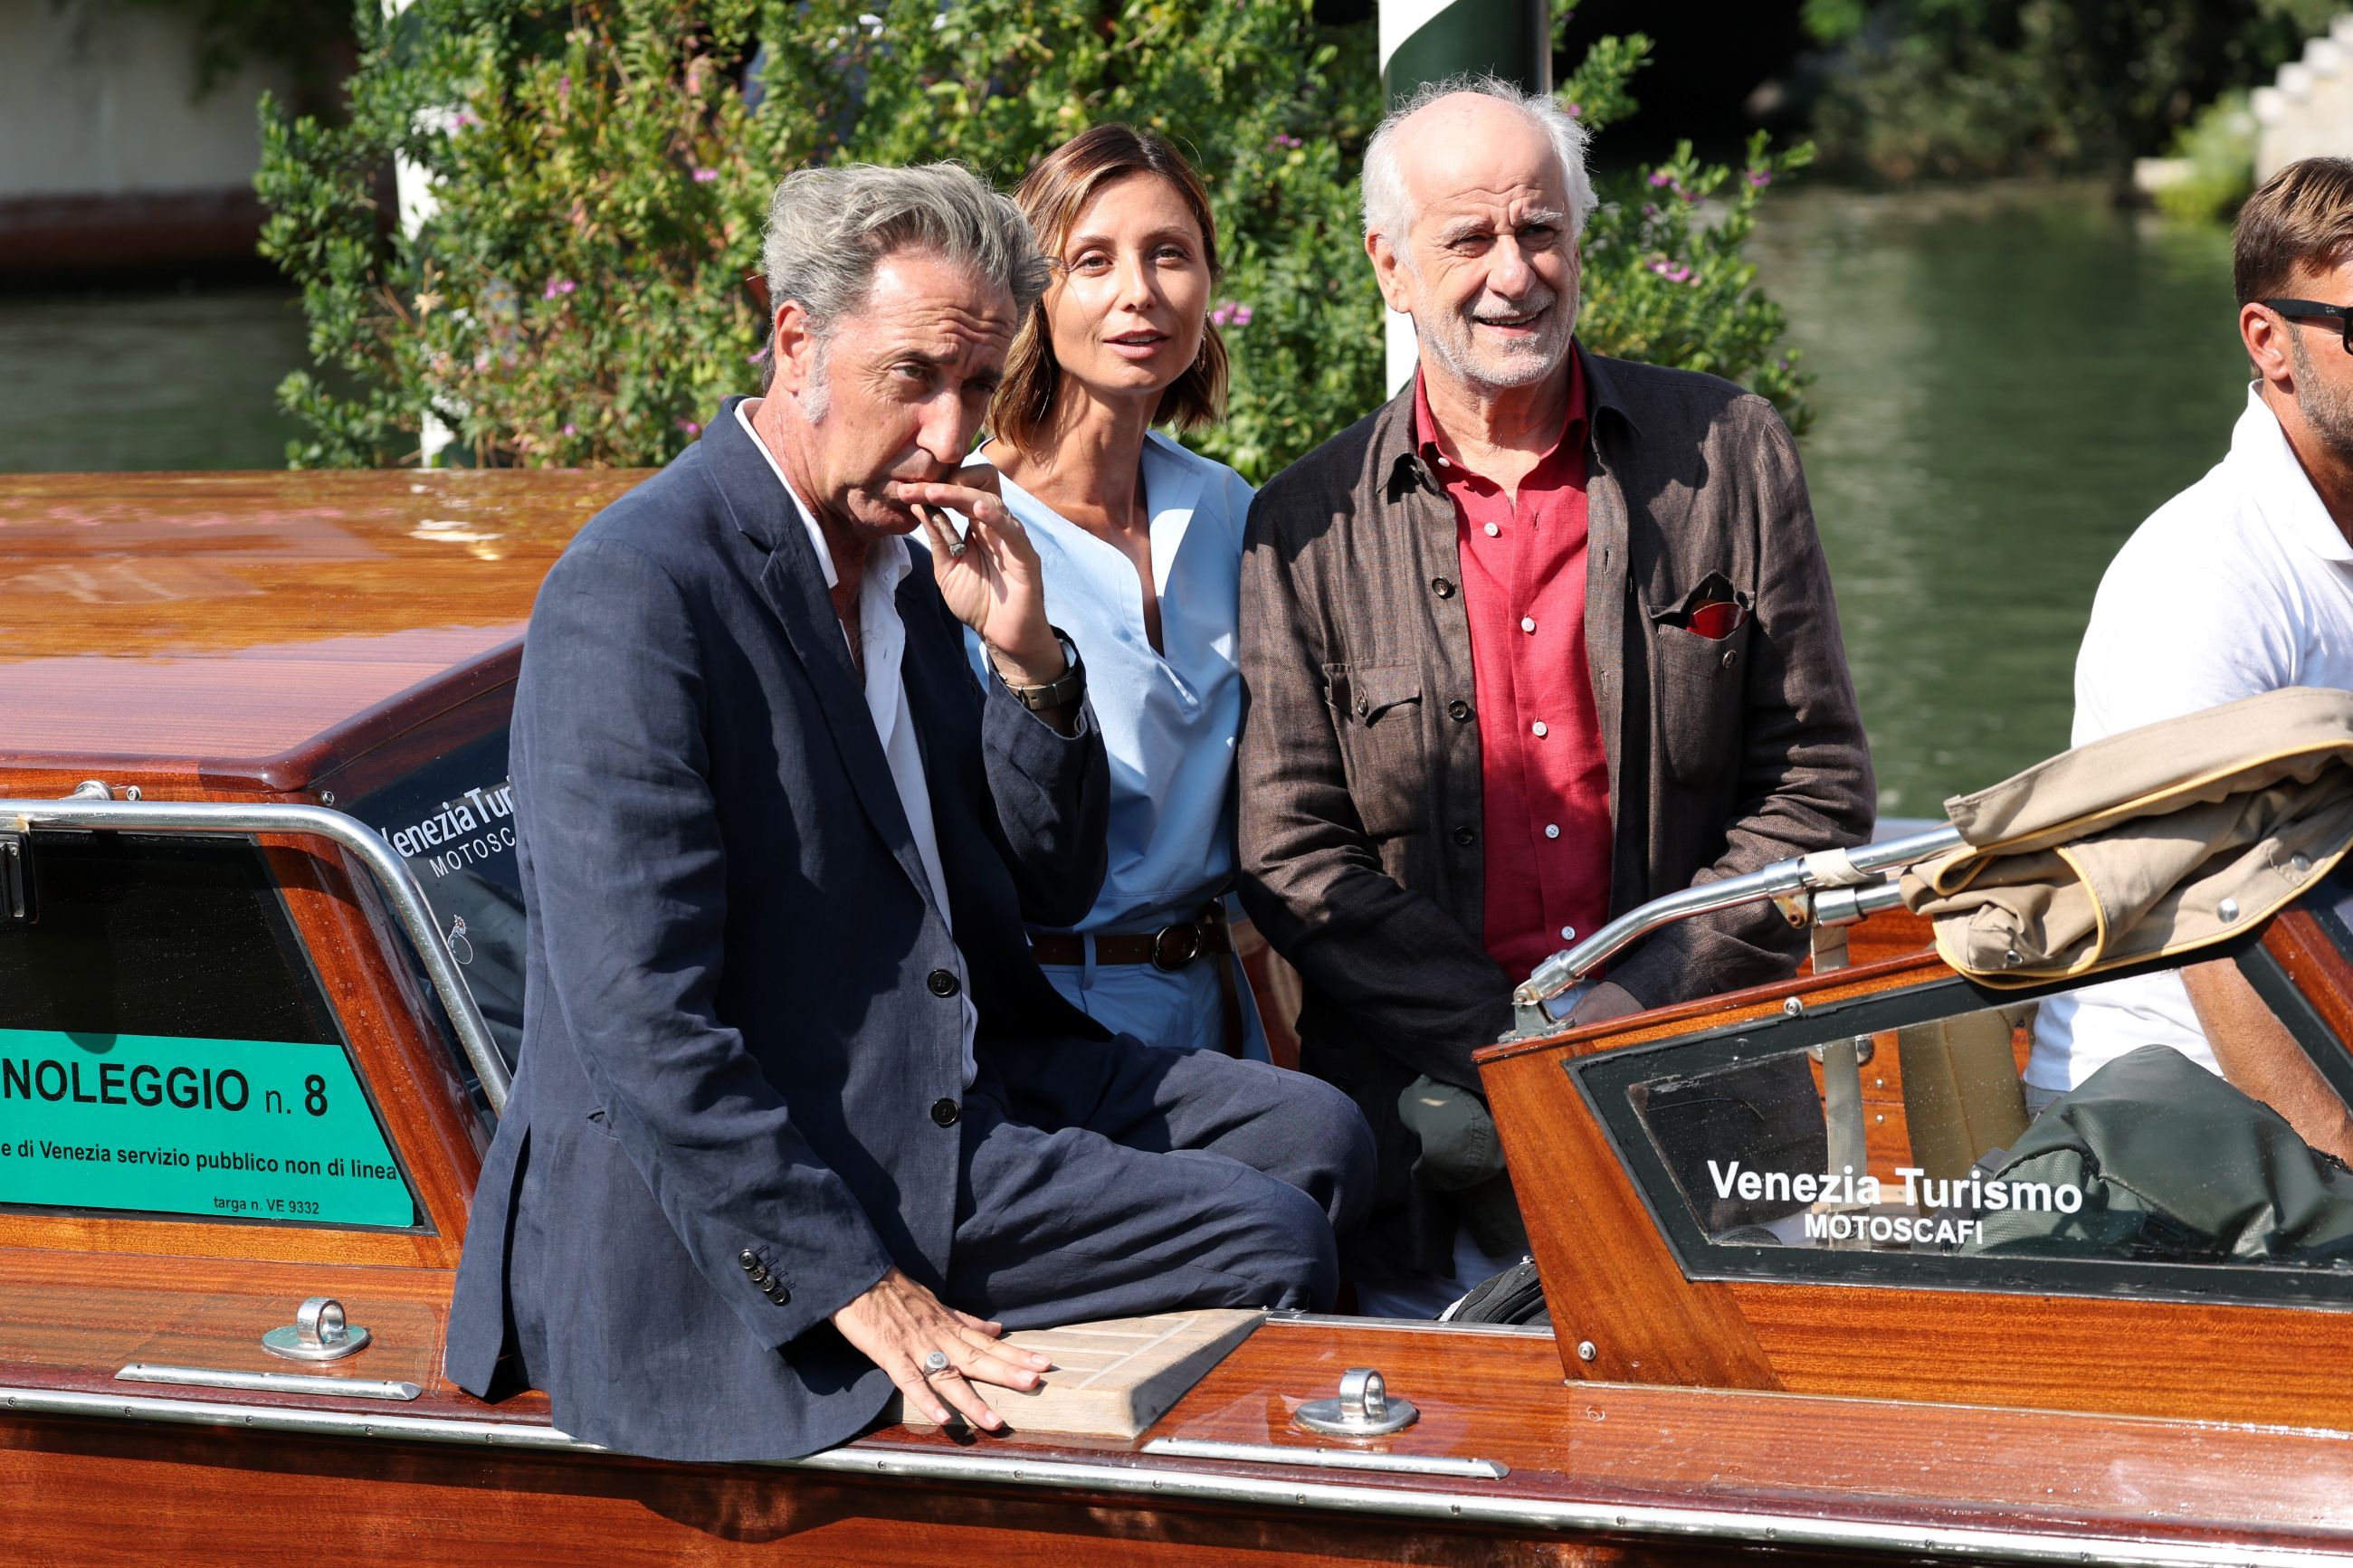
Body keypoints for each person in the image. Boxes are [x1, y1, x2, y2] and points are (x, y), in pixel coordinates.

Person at [444, 161, 1373, 1464]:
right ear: (795, 339)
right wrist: (850, 1283)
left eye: (982, 388)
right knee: (1269, 1232)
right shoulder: (640, 586)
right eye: (915, 379)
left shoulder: (914, 558)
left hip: (964, 1077)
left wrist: (1032, 665)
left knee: (1324, 1129)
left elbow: (1046, 886)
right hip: (819, 1147)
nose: (952, 434)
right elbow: (638, 1017)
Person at [1237, 78, 1876, 1316]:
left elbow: (1818, 783)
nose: (1514, 272)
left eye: (1541, 229)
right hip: (1431, 1147)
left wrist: (1624, 1008)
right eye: (1470, 238)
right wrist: (1514, 1046)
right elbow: (1289, 845)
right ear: (1391, 265)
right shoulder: (1301, 528)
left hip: (1706, 1110)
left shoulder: (1732, 452)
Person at [2027, 157, 2353, 1164]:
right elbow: (2206, 922)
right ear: (2270, 342)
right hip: (2183, 1136)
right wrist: (2342, 1153)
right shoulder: (2205, 576)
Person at [961, 124, 1267, 1060]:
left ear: (1207, 282)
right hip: (1050, 1013)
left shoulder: (1227, 507)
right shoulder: (964, 524)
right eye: (1090, 260)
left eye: (1168, 254)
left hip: (1223, 1000)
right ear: (1029, 295)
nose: (1138, 291)